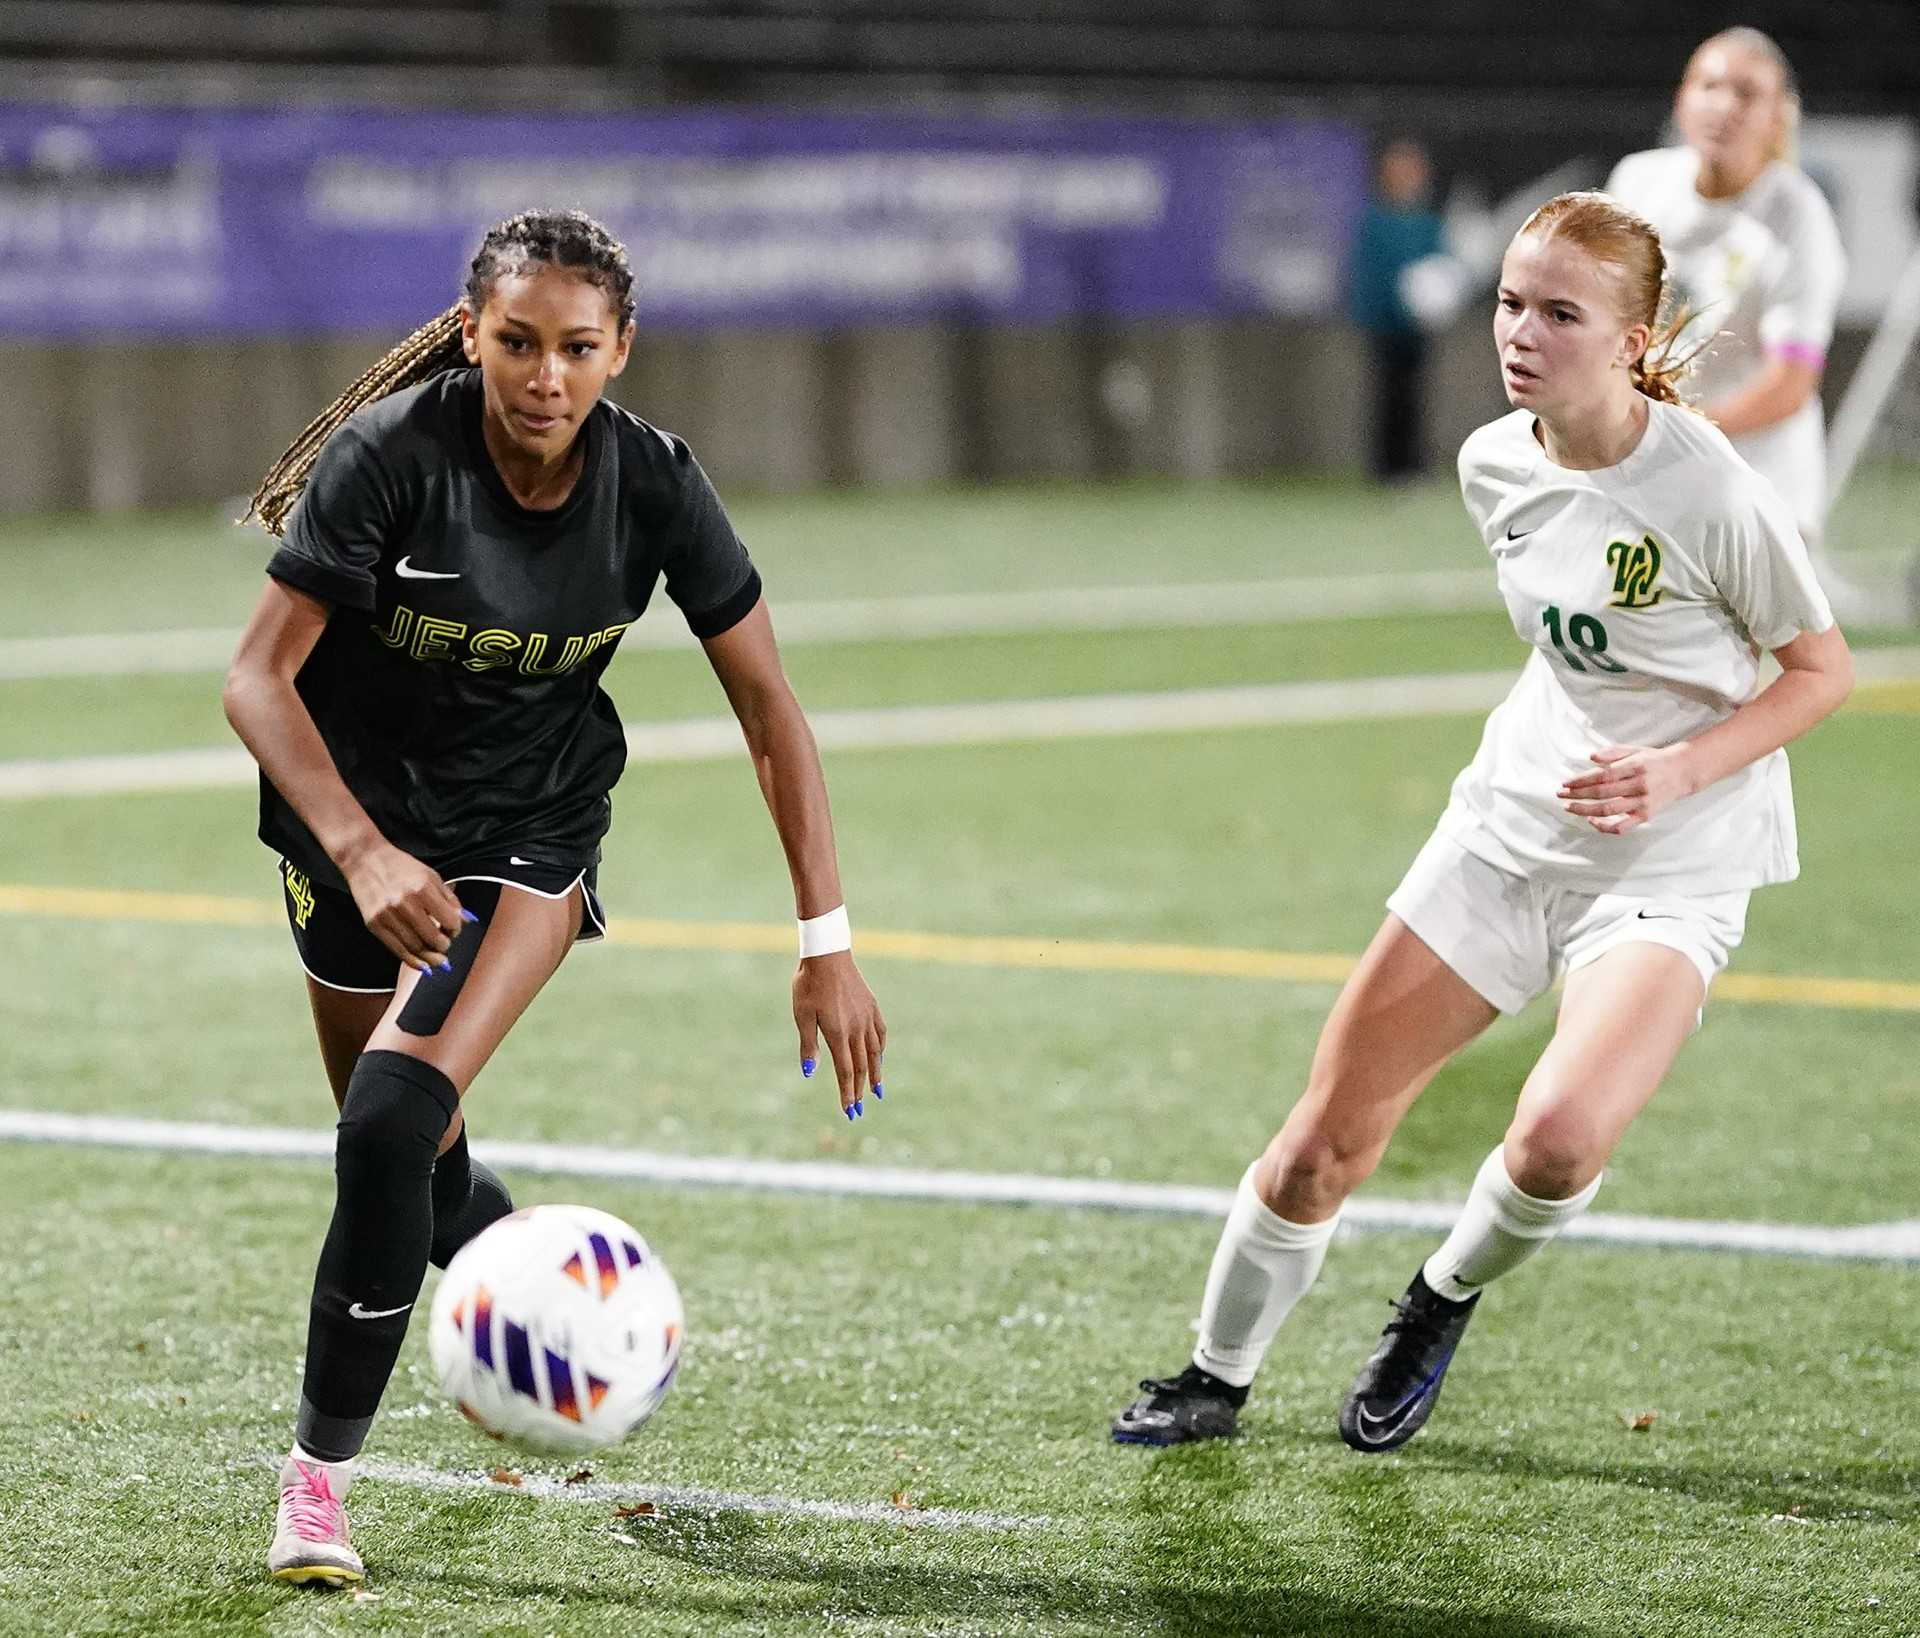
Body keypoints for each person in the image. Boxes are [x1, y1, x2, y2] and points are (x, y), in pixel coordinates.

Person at [1111, 191, 1852, 1452]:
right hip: (1508, 834)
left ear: (1631, 337)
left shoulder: (1710, 493)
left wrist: (1675, 773)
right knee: (1317, 1150)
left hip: (1674, 860)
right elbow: (1577, 659)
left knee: (1559, 1143)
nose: (1521, 332)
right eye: (1512, 302)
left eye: (1560, 313)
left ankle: (1437, 1297)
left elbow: (1823, 673)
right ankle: (1213, 1376)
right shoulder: (1492, 461)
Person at [224, 209, 887, 1585]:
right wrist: (359, 851)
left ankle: (315, 1490)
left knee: (387, 1117)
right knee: (416, 1145)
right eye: (517, 342)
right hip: (353, 826)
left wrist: (827, 941)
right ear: (472, 335)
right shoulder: (394, 458)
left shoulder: (653, 485)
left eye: (577, 348)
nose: (545, 375)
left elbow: (769, 707)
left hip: (527, 831)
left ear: (620, 349)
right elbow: (256, 678)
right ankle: (519, 1263)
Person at [1604, 29, 1860, 617]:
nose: (1724, 105)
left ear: (1778, 116)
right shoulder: (1638, 183)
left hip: (1759, 487)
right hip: (1655, 482)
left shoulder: (1799, 218)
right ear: (1681, 99)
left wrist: (1671, 434)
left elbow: (1791, 383)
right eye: (1709, 85)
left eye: (1747, 92)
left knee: (1740, 689)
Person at [1350, 137, 1448, 482]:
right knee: (1387, 394)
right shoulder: (1376, 222)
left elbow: (1442, 266)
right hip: (1385, 325)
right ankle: (1386, 468)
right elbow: (1368, 276)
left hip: (1418, 327)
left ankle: (1415, 465)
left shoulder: (1427, 222)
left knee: (1415, 395)